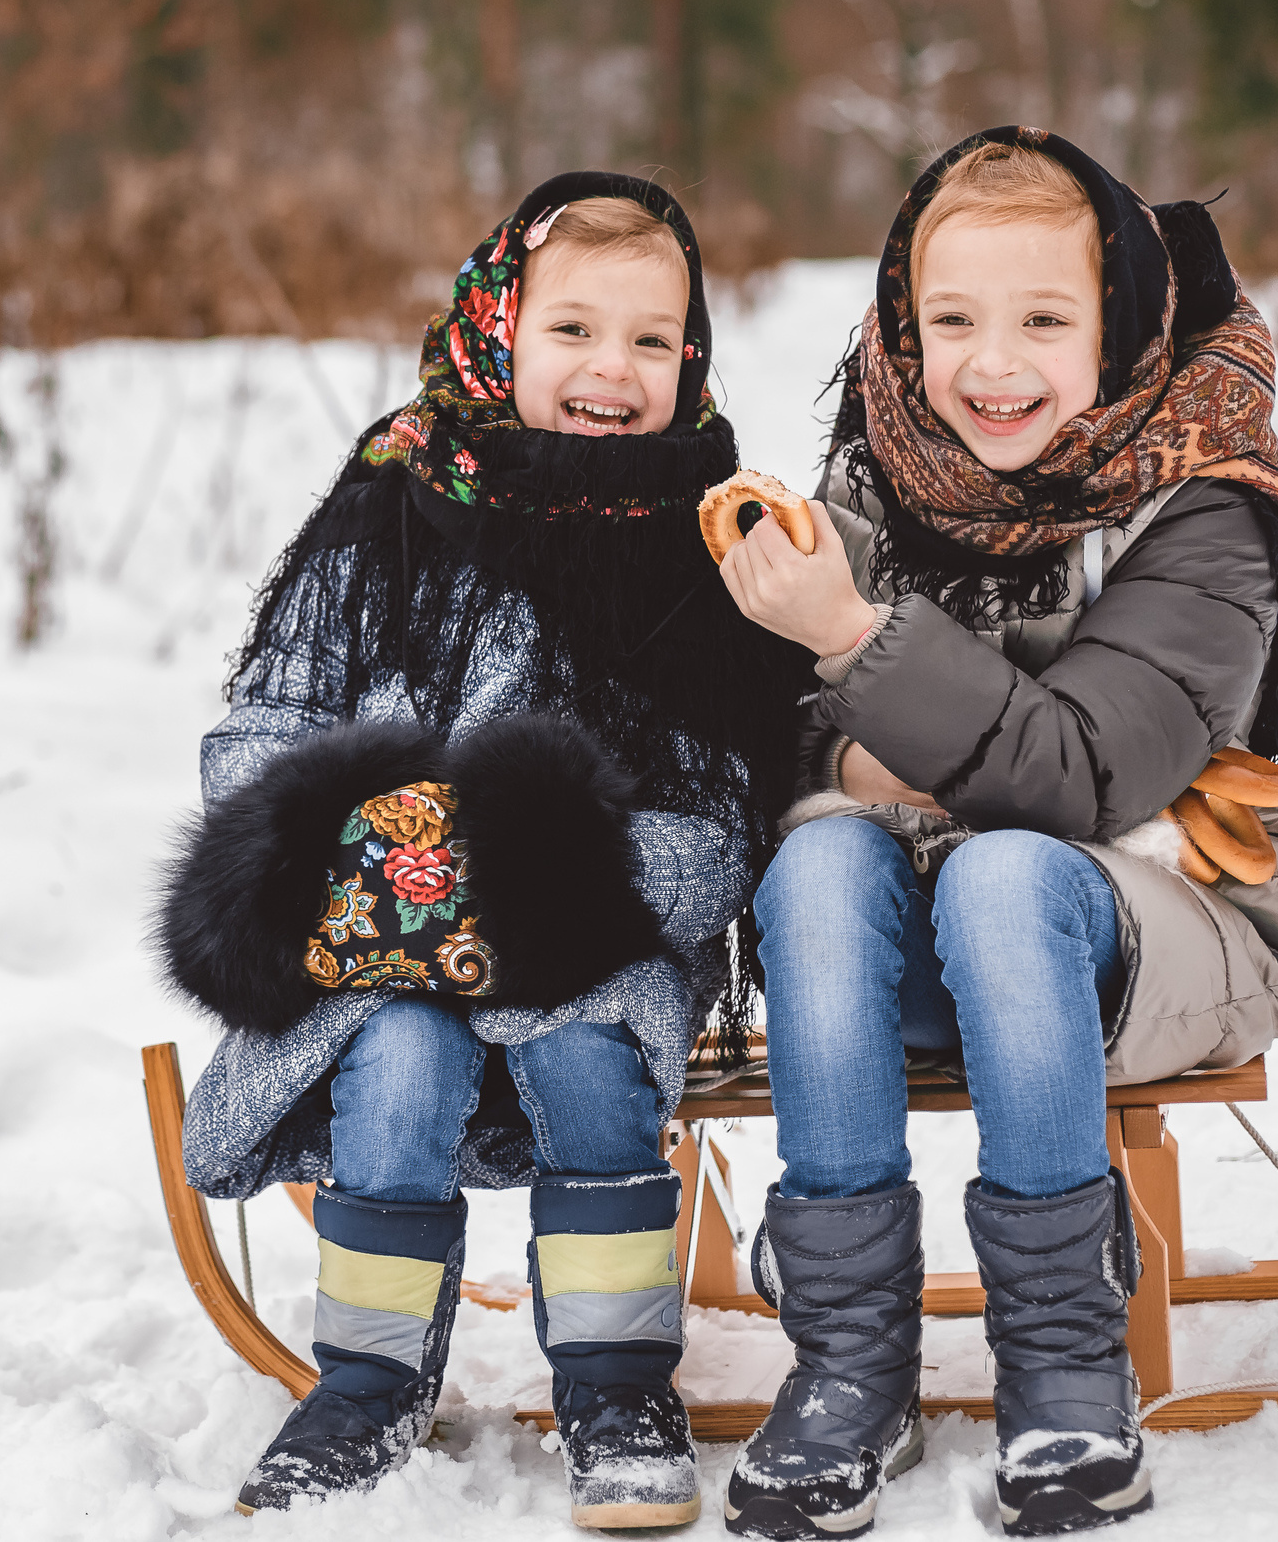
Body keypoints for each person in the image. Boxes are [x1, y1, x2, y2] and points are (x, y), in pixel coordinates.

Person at [714, 128, 1278, 1540]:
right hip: (920, 934)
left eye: (1043, 320)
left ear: (1120, 323)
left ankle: (1067, 1359)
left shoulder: (1204, 498)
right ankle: (848, 1359)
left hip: (1159, 918)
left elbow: (1079, 776)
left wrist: (850, 641)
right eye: (951, 319)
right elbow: (766, 733)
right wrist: (850, 724)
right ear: (902, 322)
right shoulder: (884, 467)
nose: (989, 362)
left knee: (1011, 868)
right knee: (820, 858)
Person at [154, 173, 804, 1525]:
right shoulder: (392, 500)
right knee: (395, 1058)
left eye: (649, 340)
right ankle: (370, 1377)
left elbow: (726, 798)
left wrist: (592, 872)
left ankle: (618, 1376)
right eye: (572, 331)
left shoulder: (701, 542)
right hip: (383, 927)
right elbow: (264, 724)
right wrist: (358, 844)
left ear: (691, 356)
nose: (609, 372)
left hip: (586, 930)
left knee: (586, 1052)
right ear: (498, 328)